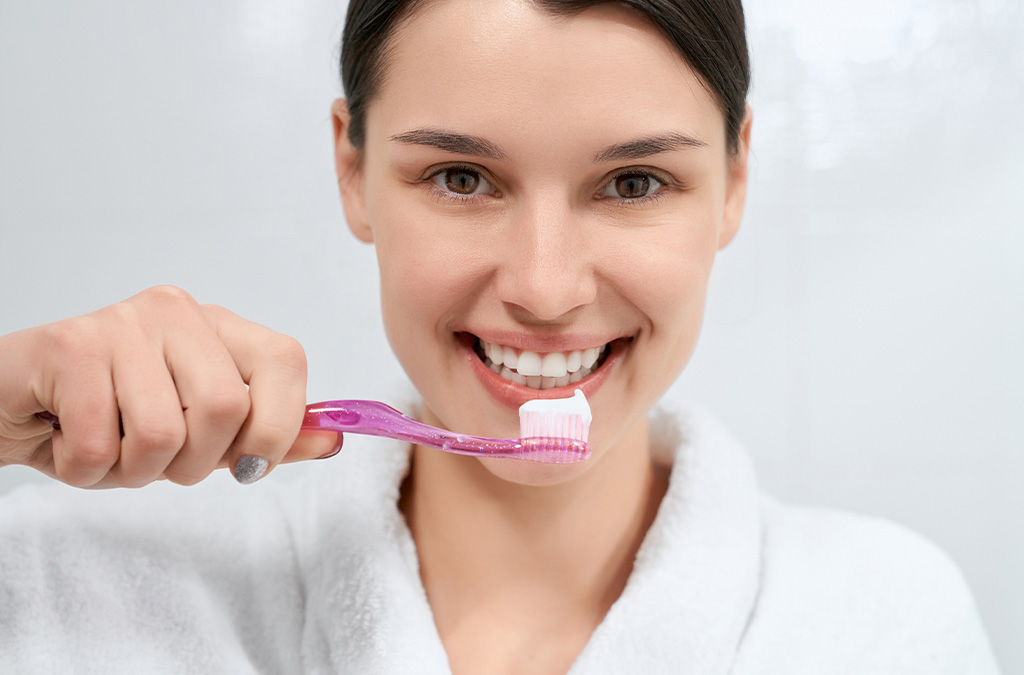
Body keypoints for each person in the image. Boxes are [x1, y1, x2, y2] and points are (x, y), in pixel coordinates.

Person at [0, 0, 1000, 673]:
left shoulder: (882, 622)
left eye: (634, 183)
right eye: (461, 178)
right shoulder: (78, 575)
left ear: (734, 181)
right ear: (351, 169)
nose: (544, 288)